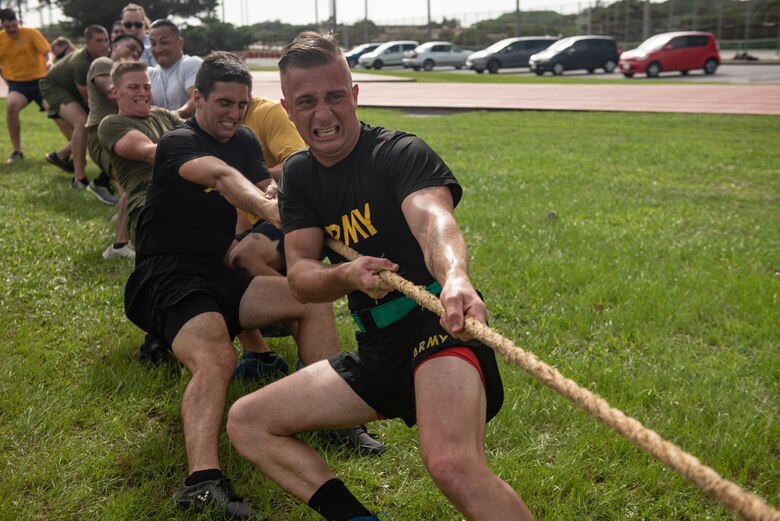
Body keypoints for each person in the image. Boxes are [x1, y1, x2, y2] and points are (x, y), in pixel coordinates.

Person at [227, 32, 534, 521]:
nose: (323, 114)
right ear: (288, 107)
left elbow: (434, 220)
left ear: (353, 94)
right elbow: (302, 277)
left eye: (333, 97)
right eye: (306, 101)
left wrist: (456, 277)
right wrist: (348, 274)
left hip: (437, 327)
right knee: (248, 421)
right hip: (377, 350)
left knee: (451, 463)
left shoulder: (398, 153)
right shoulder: (300, 176)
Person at [123, 51, 342, 518]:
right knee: (217, 357)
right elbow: (225, 179)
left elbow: (260, 184)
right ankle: (201, 480)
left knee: (311, 297)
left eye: (242, 104)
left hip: (220, 273)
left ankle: (332, 417)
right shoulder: (178, 143)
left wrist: (287, 200)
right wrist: (269, 211)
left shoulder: (242, 137)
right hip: (168, 278)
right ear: (197, 97)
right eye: (224, 102)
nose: (234, 114)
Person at [39, 24, 114, 203]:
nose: (104, 45)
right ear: (87, 43)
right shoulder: (82, 63)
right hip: (53, 87)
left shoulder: (105, 58)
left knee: (86, 122)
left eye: (106, 40)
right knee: (82, 121)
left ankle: (61, 155)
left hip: (69, 88)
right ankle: (79, 178)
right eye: (98, 41)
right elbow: (88, 99)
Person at [87, 34, 144, 259]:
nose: (133, 53)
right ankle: (120, 246)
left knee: (133, 183)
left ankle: (124, 236)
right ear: (115, 45)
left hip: (121, 134)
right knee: (136, 178)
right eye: (129, 47)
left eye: (138, 52)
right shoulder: (103, 63)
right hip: (103, 136)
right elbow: (113, 92)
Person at [0, 8, 52, 164]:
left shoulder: (31, 33)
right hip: (18, 85)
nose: (11, 30)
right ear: (2, 25)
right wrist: (6, 78)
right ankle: (17, 151)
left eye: (14, 26)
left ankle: (73, 146)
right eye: (7, 27)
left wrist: (49, 61)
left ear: (17, 22)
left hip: (39, 81)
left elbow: (47, 52)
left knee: (56, 110)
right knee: (11, 108)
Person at [148, 19, 202, 117]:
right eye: (153, 44)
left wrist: (174, 114)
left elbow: (198, 98)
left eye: (164, 42)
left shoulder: (191, 64)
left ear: (180, 43)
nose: (158, 49)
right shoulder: (149, 73)